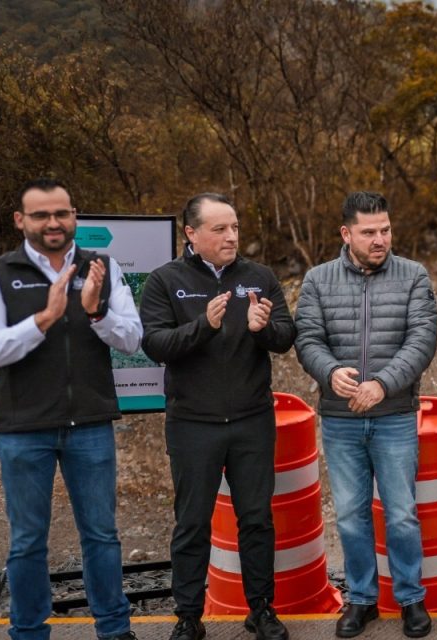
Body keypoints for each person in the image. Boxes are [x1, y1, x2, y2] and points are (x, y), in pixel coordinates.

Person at [0, 178, 141, 640]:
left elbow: (132, 339)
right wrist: (42, 319)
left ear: (74, 217)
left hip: (89, 423)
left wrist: (95, 313)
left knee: (102, 536)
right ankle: (27, 631)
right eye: (42, 215)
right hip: (24, 429)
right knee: (27, 543)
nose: (53, 223)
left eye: (62, 213)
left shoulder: (101, 266)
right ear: (20, 220)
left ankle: (114, 628)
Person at [140, 193, 296, 640]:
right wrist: (203, 326)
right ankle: (189, 615)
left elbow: (286, 337)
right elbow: (155, 345)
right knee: (192, 522)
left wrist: (263, 328)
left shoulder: (259, 277)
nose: (232, 237)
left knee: (256, 519)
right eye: (220, 229)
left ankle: (261, 609)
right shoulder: (165, 281)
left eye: (235, 228)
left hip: (251, 420)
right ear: (191, 233)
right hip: (192, 424)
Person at [294, 191, 437, 639]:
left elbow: (422, 339)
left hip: (394, 415)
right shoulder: (318, 280)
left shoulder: (413, 275)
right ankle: (360, 600)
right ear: (346, 233)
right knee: (351, 515)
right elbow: (308, 339)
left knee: (401, 514)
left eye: (385, 230)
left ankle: (411, 599)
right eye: (369, 232)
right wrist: (331, 371)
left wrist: (382, 384)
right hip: (340, 419)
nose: (380, 239)